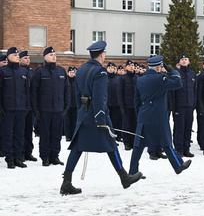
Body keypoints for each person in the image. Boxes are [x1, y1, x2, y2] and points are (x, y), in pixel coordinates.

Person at [60, 41, 142, 195]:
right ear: (102, 54)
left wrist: (81, 111)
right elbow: (100, 98)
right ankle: (124, 177)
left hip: (84, 113)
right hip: (96, 115)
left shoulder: (82, 69)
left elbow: (78, 94)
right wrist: (101, 118)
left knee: (78, 147)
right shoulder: (101, 72)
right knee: (111, 145)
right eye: (105, 53)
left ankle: (66, 182)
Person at [129, 55, 192, 176]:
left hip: (144, 115)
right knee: (166, 142)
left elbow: (136, 100)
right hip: (159, 116)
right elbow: (178, 83)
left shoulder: (140, 79)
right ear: (159, 68)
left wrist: (140, 115)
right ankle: (177, 166)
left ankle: (132, 171)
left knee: (138, 145)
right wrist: (171, 69)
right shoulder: (160, 79)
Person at [31, 47, 70, 166]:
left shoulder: (61, 71)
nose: (54, 56)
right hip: (44, 111)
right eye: (51, 54)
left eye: (55, 54)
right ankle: (45, 157)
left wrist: (65, 108)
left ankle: (55, 156)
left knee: (56, 135)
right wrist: (36, 111)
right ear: (45, 57)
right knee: (45, 135)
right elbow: (34, 93)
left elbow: (67, 91)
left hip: (58, 110)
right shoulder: (39, 72)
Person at [0, 47, 29, 168]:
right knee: (8, 135)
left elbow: (27, 91)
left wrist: (27, 106)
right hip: (7, 109)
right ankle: (10, 158)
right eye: (14, 55)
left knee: (19, 134)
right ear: (8, 57)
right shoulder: (3, 72)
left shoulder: (24, 72)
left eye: (17, 55)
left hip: (21, 109)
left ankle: (18, 157)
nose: (17, 56)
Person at [173, 54, 196, 157]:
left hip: (189, 105)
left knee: (188, 128)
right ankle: (179, 150)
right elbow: (172, 92)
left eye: (186, 59)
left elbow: (195, 90)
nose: (184, 61)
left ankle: (186, 149)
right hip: (179, 106)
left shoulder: (192, 73)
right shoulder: (175, 73)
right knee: (179, 128)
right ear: (179, 62)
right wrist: (174, 107)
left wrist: (194, 103)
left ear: (189, 61)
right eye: (182, 59)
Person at [19, 50, 37, 161]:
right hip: (20, 106)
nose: (28, 60)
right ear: (20, 59)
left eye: (28, 58)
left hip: (30, 106)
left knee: (29, 130)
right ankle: (20, 153)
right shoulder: (18, 71)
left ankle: (28, 152)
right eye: (25, 58)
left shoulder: (31, 72)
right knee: (20, 131)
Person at [64, 66, 78, 142]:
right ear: (68, 73)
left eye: (73, 72)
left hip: (75, 104)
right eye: (71, 72)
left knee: (74, 120)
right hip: (67, 104)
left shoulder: (77, 81)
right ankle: (68, 135)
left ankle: (73, 135)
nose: (72, 74)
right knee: (67, 121)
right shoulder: (65, 81)